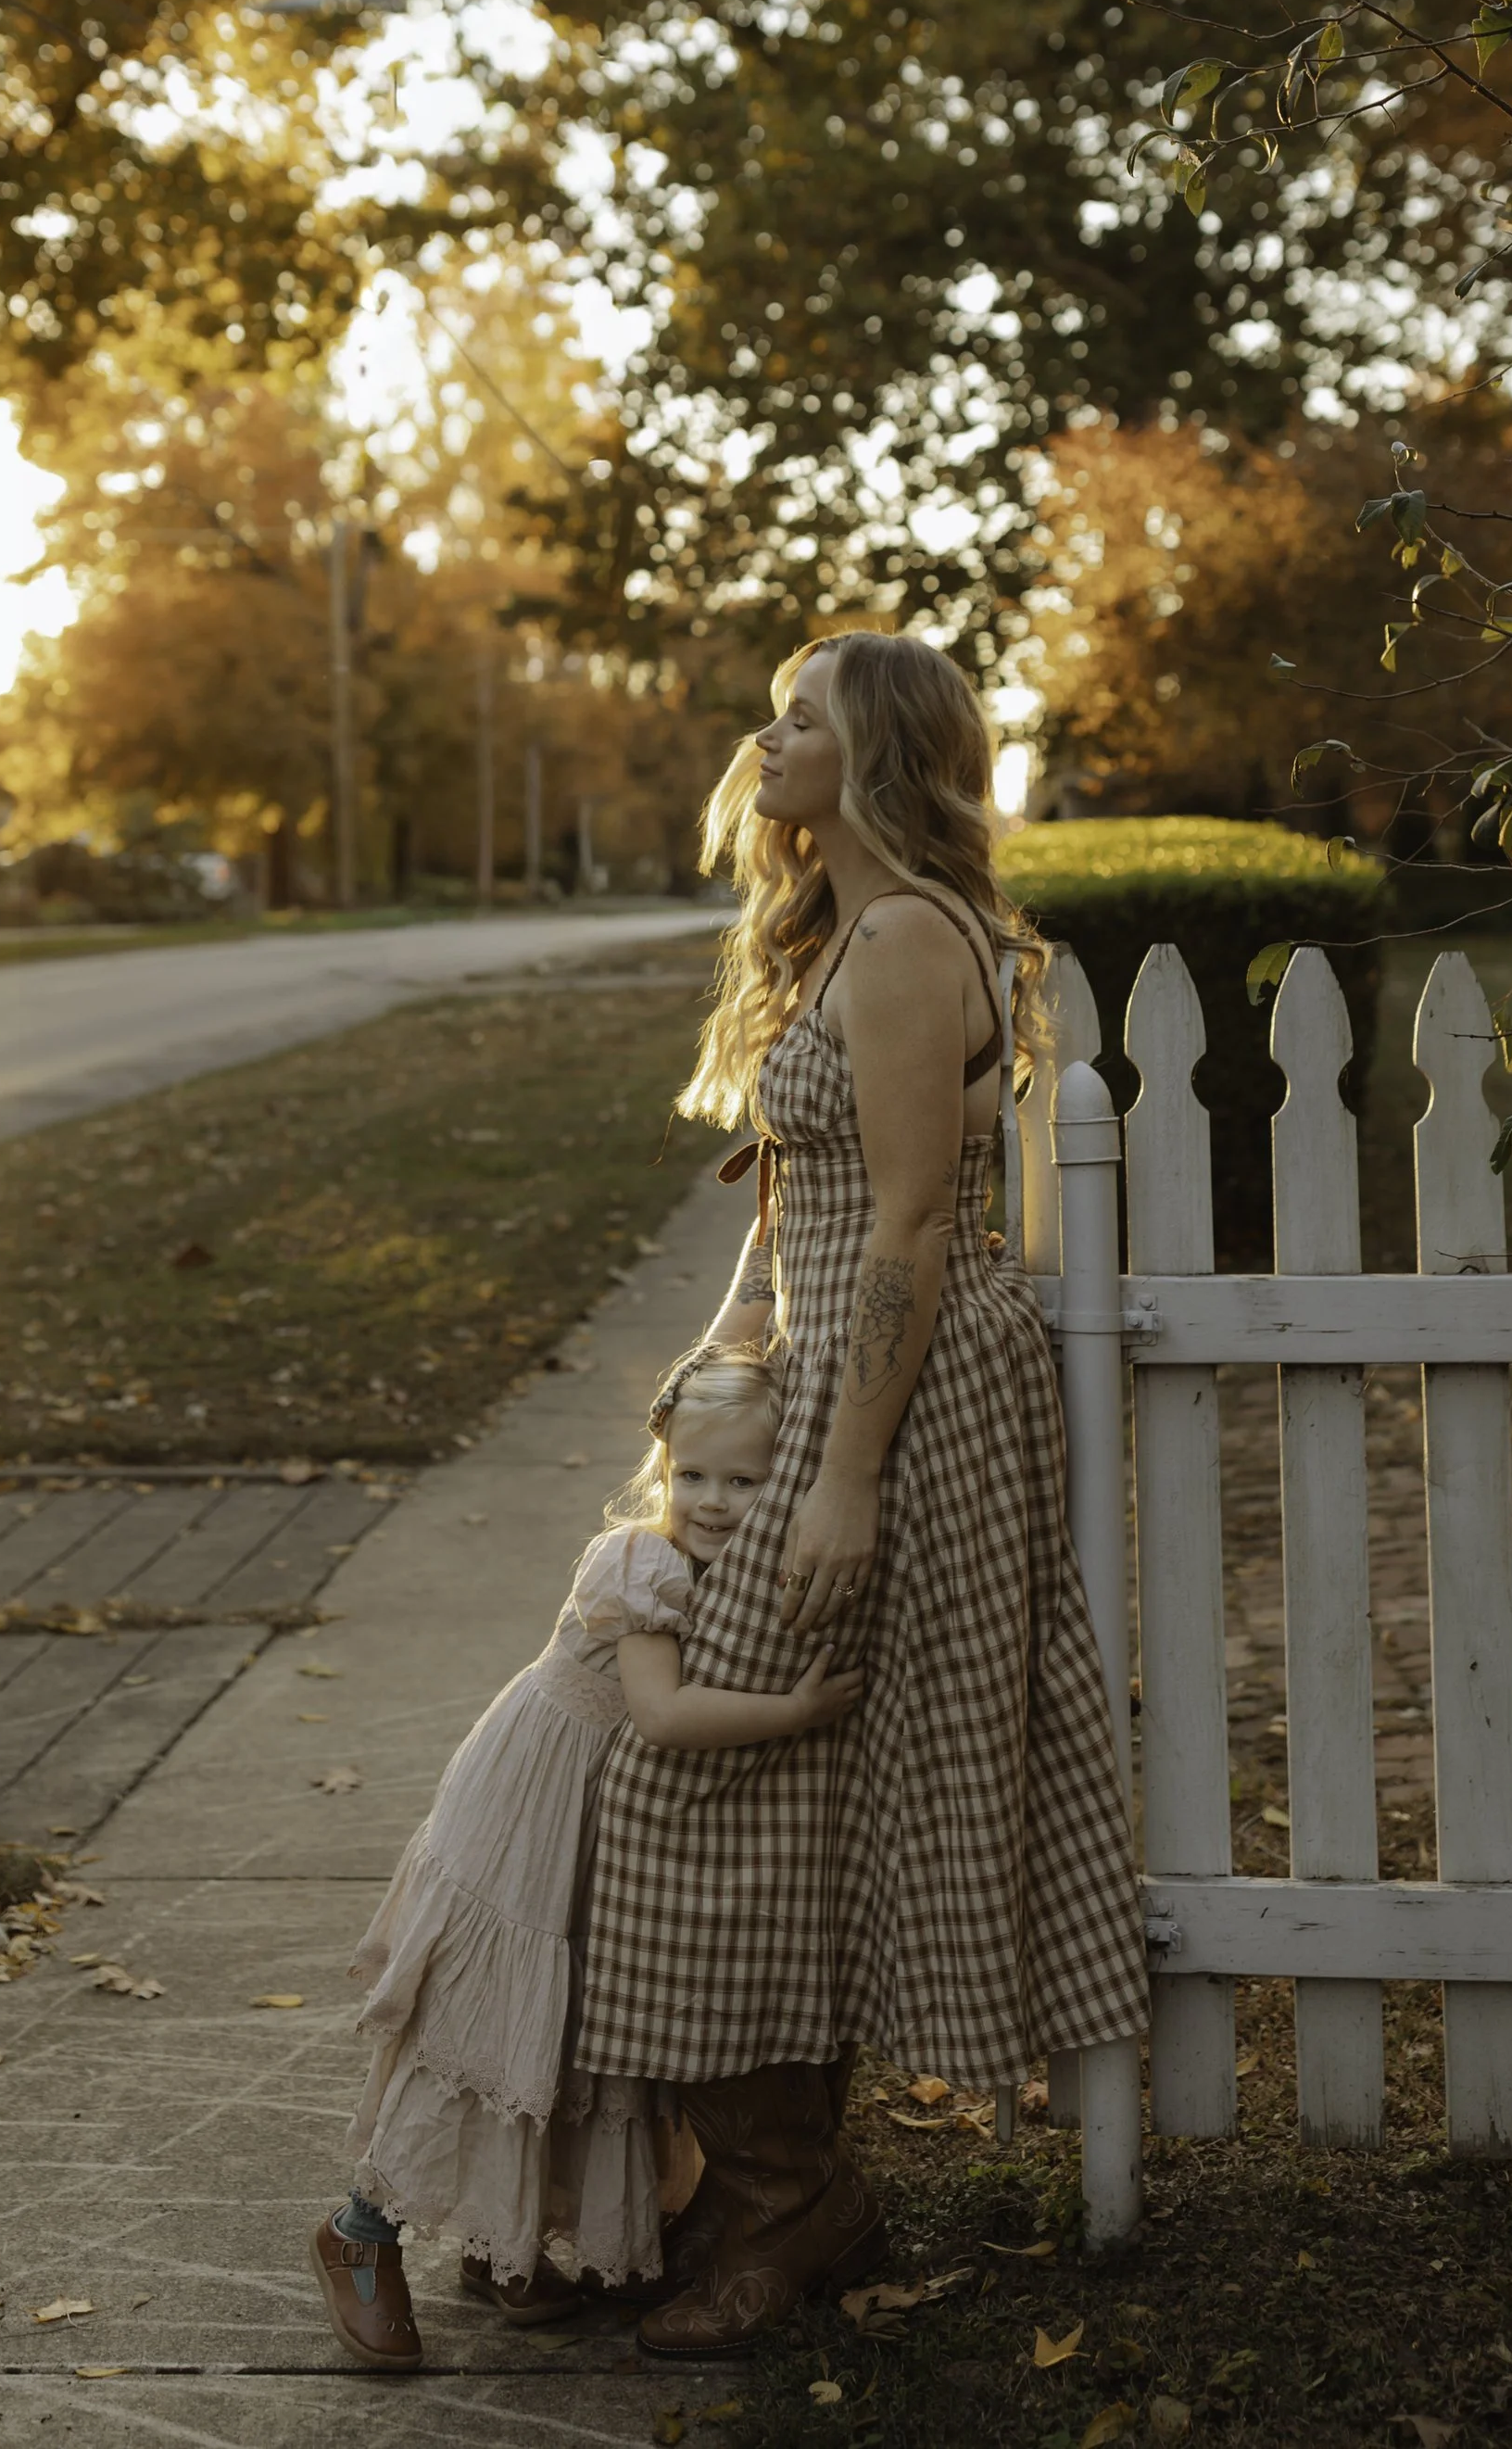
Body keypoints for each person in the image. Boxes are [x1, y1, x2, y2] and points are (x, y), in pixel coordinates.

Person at [573, 629, 1151, 2357]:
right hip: (830, 1382)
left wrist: (840, 1482)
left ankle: (787, 2209)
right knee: (773, 1789)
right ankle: (775, 2203)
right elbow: (795, 1221)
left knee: (704, 1794)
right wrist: (723, 1379)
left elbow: (907, 1227)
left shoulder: (907, 940)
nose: (767, 737)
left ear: (880, 750)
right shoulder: (845, 933)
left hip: (907, 1403)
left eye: (800, 716)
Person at [310, 1346, 863, 2372]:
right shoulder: (639, 1563)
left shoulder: (723, 1571)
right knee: (477, 2027)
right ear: (662, 1466)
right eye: (693, 1474)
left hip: (586, 1822)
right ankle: (358, 2232)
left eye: (745, 1480)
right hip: (530, 1804)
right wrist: (796, 1712)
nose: (714, 1500)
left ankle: (506, 2250)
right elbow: (657, 1713)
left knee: (560, 2037)